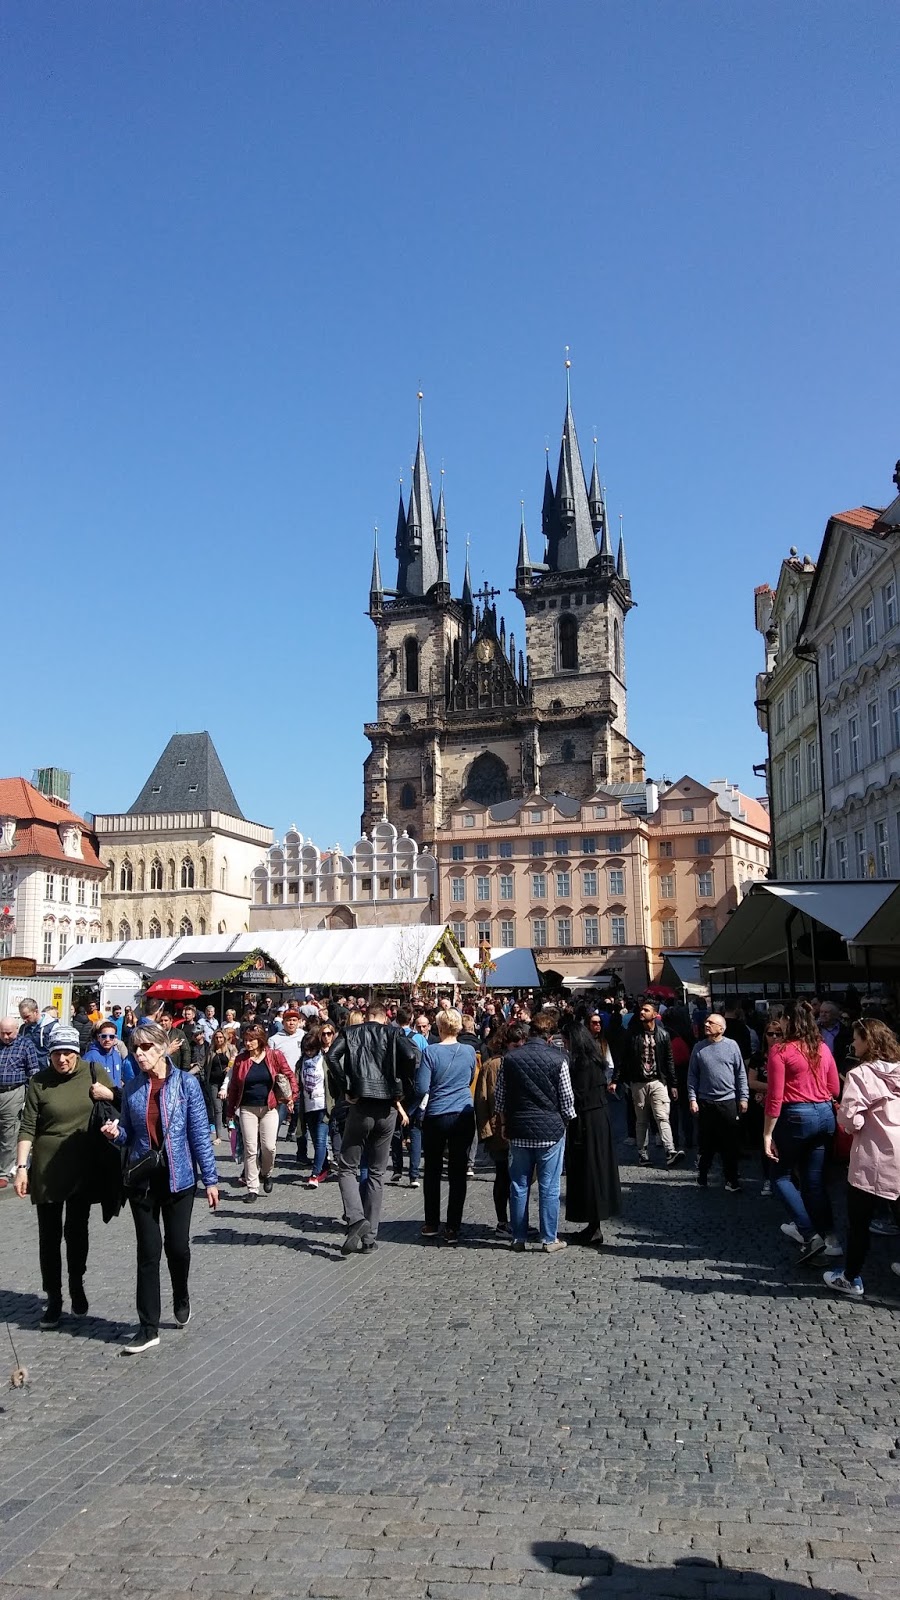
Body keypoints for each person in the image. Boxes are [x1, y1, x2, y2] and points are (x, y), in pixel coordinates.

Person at [101, 1021, 219, 1353]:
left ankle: (181, 1293)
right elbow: (128, 1133)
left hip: (179, 1179)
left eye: (145, 1048)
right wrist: (116, 1133)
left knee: (177, 1248)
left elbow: (199, 1135)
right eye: (135, 1049)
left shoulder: (186, 1084)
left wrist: (210, 1179)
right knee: (148, 1252)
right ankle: (148, 1327)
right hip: (142, 1180)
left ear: (162, 1048)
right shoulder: (132, 1087)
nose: (139, 1054)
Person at [14, 1023, 116, 1329]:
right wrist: (21, 1168)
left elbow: (119, 1104)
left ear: (77, 1053)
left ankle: (76, 1283)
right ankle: (54, 1296)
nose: (62, 1059)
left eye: (68, 1053)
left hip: (83, 1165)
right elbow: (27, 1126)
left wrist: (108, 1094)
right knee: (49, 1235)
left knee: (76, 1230)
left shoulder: (94, 1072)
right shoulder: (39, 1082)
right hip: (47, 1168)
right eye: (56, 1053)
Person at [325, 1002, 418, 1254]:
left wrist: (346, 1087)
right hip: (387, 1106)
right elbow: (411, 1056)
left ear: (366, 1016)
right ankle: (370, 1238)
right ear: (385, 1018)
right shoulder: (394, 1033)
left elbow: (331, 1056)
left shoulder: (352, 1032)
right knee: (377, 1173)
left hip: (361, 1103)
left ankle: (356, 1218)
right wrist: (402, 1087)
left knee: (347, 1167)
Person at [823, 1019, 900, 1299]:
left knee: (859, 1223)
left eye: (856, 1038)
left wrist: (852, 1122)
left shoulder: (860, 1075)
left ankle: (851, 1277)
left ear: (868, 1041)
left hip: (873, 1156)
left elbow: (849, 1120)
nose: (852, 1043)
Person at [764, 999, 840, 1264]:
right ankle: (830, 1238)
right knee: (814, 1180)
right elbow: (835, 1088)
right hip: (825, 1114)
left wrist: (767, 1134)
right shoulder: (822, 1047)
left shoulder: (780, 1050)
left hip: (796, 1115)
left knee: (780, 1176)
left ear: (788, 1021)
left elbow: (775, 1096)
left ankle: (809, 1233)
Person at [494, 1011, 577, 1253]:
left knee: (519, 1185)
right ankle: (549, 1239)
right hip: (550, 1130)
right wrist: (565, 1122)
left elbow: (500, 1097)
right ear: (550, 1037)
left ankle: (518, 1237)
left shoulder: (510, 1058)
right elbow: (567, 1099)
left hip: (518, 1128)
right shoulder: (558, 1059)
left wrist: (504, 1124)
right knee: (549, 1186)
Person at [416, 1008, 478, 1244]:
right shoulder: (469, 1051)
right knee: (458, 1171)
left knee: (432, 1169)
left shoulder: (430, 1052)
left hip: (437, 1114)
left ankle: (432, 1222)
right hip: (463, 1112)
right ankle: (453, 1226)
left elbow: (423, 1087)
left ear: (439, 1027)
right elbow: (470, 1078)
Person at [560, 1014, 620, 1246]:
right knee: (593, 1170)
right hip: (595, 1119)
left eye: (566, 1041)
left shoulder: (582, 1064)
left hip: (588, 1121)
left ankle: (594, 1226)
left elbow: (578, 1095)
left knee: (591, 1171)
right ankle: (592, 1224)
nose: (565, 1045)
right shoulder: (591, 1059)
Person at [225, 1023, 297, 1202]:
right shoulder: (241, 1060)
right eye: (245, 1040)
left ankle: (267, 1172)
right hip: (247, 1108)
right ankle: (252, 1188)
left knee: (269, 1147)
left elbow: (289, 1075)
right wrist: (230, 1111)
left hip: (269, 1107)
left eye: (251, 1040)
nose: (247, 1043)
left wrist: (292, 1097)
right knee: (250, 1149)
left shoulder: (274, 1056)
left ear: (260, 1040)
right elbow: (234, 1087)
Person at [611, 1001, 684, 1169]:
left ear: (655, 1014)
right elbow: (622, 1059)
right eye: (641, 1010)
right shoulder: (632, 1035)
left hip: (658, 1081)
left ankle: (670, 1151)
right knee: (641, 1120)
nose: (642, 1012)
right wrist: (616, 1080)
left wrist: (673, 1084)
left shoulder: (663, 1035)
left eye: (646, 1010)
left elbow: (669, 1060)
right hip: (638, 1082)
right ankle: (643, 1153)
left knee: (662, 1116)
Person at [687, 1014, 749, 1192]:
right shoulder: (699, 1047)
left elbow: (740, 1073)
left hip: (728, 1102)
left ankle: (731, 1179)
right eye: (706, 1021)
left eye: (711, 1022)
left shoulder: (732, 1046)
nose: (706, 1024)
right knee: (706, 1143)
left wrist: (743, 1097)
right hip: (705, 1102)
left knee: (730, 1143)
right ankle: (702, 1174)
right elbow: (692, 1075)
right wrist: (692, 1099)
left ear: (721, 1028)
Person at [473, 1020, 512, 1237]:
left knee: (508, 1176)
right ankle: (503, 1221)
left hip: (507, 1129)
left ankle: (510, 1220)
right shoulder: (492, 1066)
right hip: (499, 1129)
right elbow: (482, 1100)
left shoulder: (500, 1064)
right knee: (504, 1176)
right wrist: (486, 1130)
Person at [0, 1016, 41, 1186]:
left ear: (17, 1030)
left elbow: (33, 1071)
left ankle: (3, 1172)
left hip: (13, 1092)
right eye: (2, 1033)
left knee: (8, 1131)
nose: (5, 1036)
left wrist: (32, 1096)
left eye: (9, 1033)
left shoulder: (25, 1045)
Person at [389, 1005, 425, 1188]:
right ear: (411, 1020)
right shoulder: (419, 1039)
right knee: (415, 1129)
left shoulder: (391, 1036)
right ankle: (414, 1174)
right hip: (415, 1089)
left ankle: (397, 1169)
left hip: (397, 1088)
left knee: (396, 1128)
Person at [299, 1026, 331, 1188]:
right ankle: (325, 1168)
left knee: (320, 1141)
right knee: (316, 1141)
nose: (309, 1053)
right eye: (306, 1050)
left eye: (311, 1049)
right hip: (308, 1106)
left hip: (323, 1105)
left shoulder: (324, 1060)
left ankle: (314, 1174)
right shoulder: (301, 1063)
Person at [205, 1028, 235, 1143]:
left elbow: (235, 1061)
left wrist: (229, 1067)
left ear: (224, 1038)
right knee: (217, 1109)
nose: (219, 1039)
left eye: (221, 1037)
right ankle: (218, 1136)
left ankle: (231, 1130)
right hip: (213, 1082)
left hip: (228, 1083)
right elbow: (204, 1064)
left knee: (228, 1108)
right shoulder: (211, 1049)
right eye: (216, 1037)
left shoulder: (231, 1048)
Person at [84, 1020, 128, 1089]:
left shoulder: (116, 1055)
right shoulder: (90, 1057)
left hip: (116, 1094)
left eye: (111, 1036)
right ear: (98, 1037)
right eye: (104, 1036)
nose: (107, 1039)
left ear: (115, 1039)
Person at [17, 998, 51, 1068]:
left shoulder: (51, 1027)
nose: (24, 1020)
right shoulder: (23, 1028)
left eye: (27, 1017)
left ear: (36, 1012)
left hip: (45, 1069)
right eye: (22, 1018)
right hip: (28, 1069)